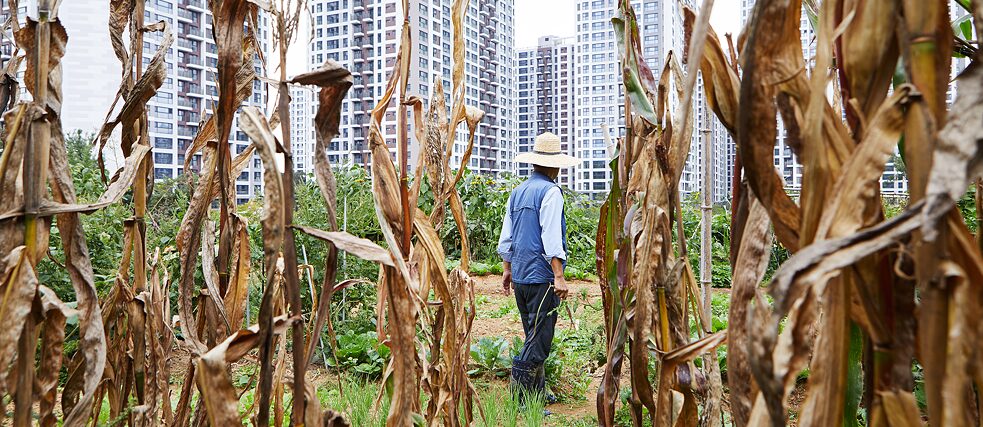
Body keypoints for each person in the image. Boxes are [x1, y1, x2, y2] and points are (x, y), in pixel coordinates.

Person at [497, 132, 579, 403]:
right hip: (541, 278)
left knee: (533, 335)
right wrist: (559, 276)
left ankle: (538, 393)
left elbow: (506, 237)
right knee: (539, 340)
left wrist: (507, 269)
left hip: (521, 276)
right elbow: (551, 236)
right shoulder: (551, 192)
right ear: (555, 166)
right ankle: (521, 400)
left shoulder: (517, 192)